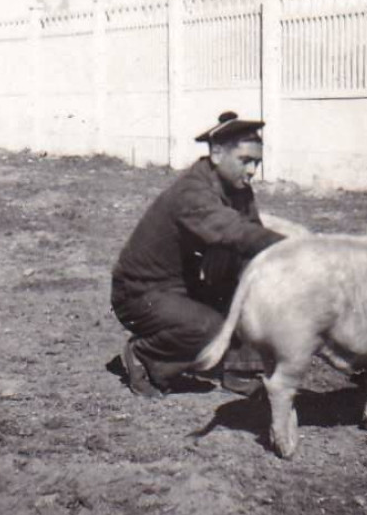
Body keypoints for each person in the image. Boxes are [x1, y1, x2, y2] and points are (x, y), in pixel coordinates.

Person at [111, 111, 286, 399]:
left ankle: (239, 368)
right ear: (217, 153)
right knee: (210, 328)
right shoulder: (192, 192)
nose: (253, 170)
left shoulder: (239, 189)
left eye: (257, 162)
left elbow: (250, 238)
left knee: (252, 282)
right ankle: (144, 355)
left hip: (186, 285)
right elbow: (235, 231)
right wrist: (298, 250)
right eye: (246, 161)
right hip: (141, 293)